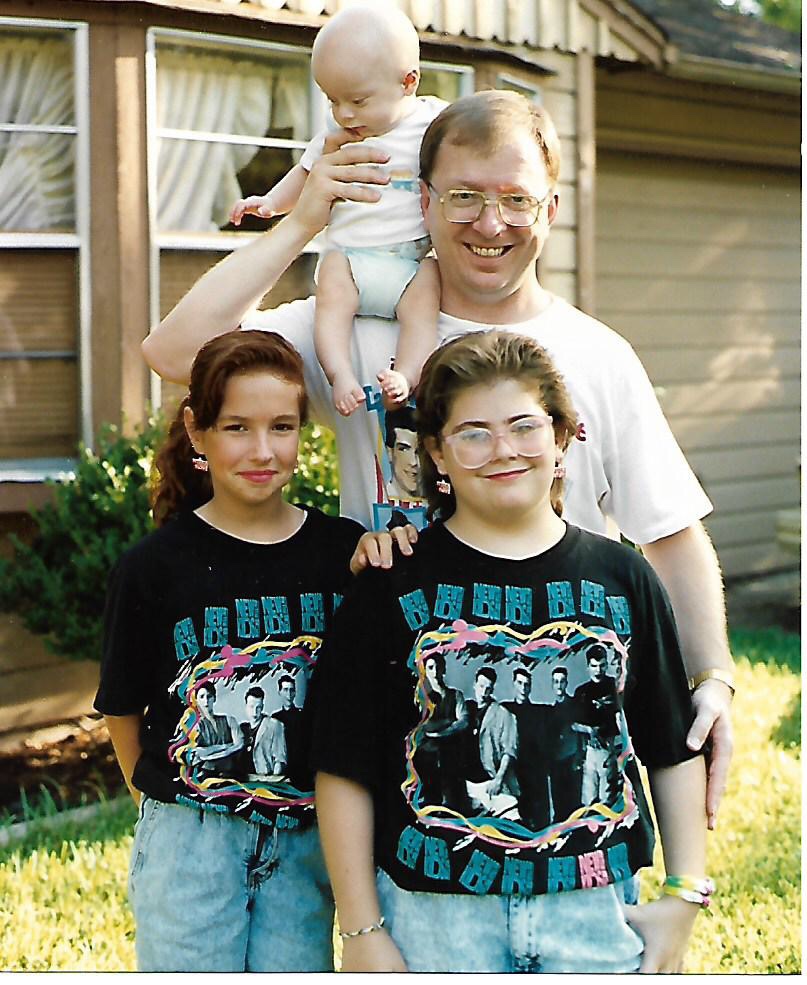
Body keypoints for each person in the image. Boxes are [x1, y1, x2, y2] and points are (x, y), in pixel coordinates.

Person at [143, 88, 734, 825]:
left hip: (557, 735)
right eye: (463, 196)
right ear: (421, 201)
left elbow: (669, 532)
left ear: (551, 210)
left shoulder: (599, 356)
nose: (490, 223)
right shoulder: (355, 332)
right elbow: (175, 353)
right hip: (398, 737)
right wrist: (302, 222)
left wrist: (713, 676)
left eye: (516, 199)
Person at [312, 331, 710, 973]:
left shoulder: (622, 577)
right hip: (434, 918)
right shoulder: (391, 584)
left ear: (562, 436)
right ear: (436, 452)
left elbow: (670, 744)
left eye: (524, 426)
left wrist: (686, 892)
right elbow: (342, 768)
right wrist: (361, 929)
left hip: (592, 910)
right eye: (473, 433)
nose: (503, 451)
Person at [94, 329, 366, 972]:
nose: (262, 450)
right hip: (191, 841)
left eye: (282, 427)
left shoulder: (343, 552)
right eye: (237, 427)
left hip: (305, 840)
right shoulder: (154, 567)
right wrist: (165, 810)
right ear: (198, 431)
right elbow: (122, 709)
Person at [231, 5, 443, 415]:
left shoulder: (435, 122)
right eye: (333, 100)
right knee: (330, 301)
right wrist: (271, 203)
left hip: (409, 263)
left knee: (426, 299)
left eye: (358, 100)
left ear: (408, 82)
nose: (344, 113)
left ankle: (405, 375)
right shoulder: (340, 135)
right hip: (349, 259)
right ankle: (340, 374)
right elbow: (304, 173)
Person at [572, 644, 620, 807]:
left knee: (607, 799)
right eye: (594, 666)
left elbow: (621, 717)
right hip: (589, 752)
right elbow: (572, 724)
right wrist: (589, 730)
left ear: (606, 664)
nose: (598, 670)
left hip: (610, 748)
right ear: (588, 666)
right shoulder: (581, 692)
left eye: (602, 665)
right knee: (588, 800)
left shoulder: (614, 686)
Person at [504, 666, 550, 827]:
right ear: (514, 684)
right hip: (513, 768)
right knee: (516, 814)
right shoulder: (505, 709)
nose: (523, 688)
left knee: (538, 816)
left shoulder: (539, 712)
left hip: (535, 770)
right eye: (520, 683)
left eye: (527, 684)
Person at [546, 665, 583, 820]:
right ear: (552, 684)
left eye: (562, 681)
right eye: (556, 682)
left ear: (566, 683)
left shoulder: (575, 705)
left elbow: (581, 733)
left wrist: (579, 756)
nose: (559, 685)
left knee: (575, 804)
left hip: (573, 760)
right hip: (557, 763)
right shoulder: (550, 710)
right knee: (559, 805)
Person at [190, 680, 243, 779]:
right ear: (196, 700)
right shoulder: (196, 727)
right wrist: (225, 746)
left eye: (209, 696)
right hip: (207, 774)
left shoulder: (229, 720)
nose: (206, 701)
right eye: (202, 697)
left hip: (230, 770)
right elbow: (198, 753)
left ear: (214, 698)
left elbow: (239, 745)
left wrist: (210, 754)